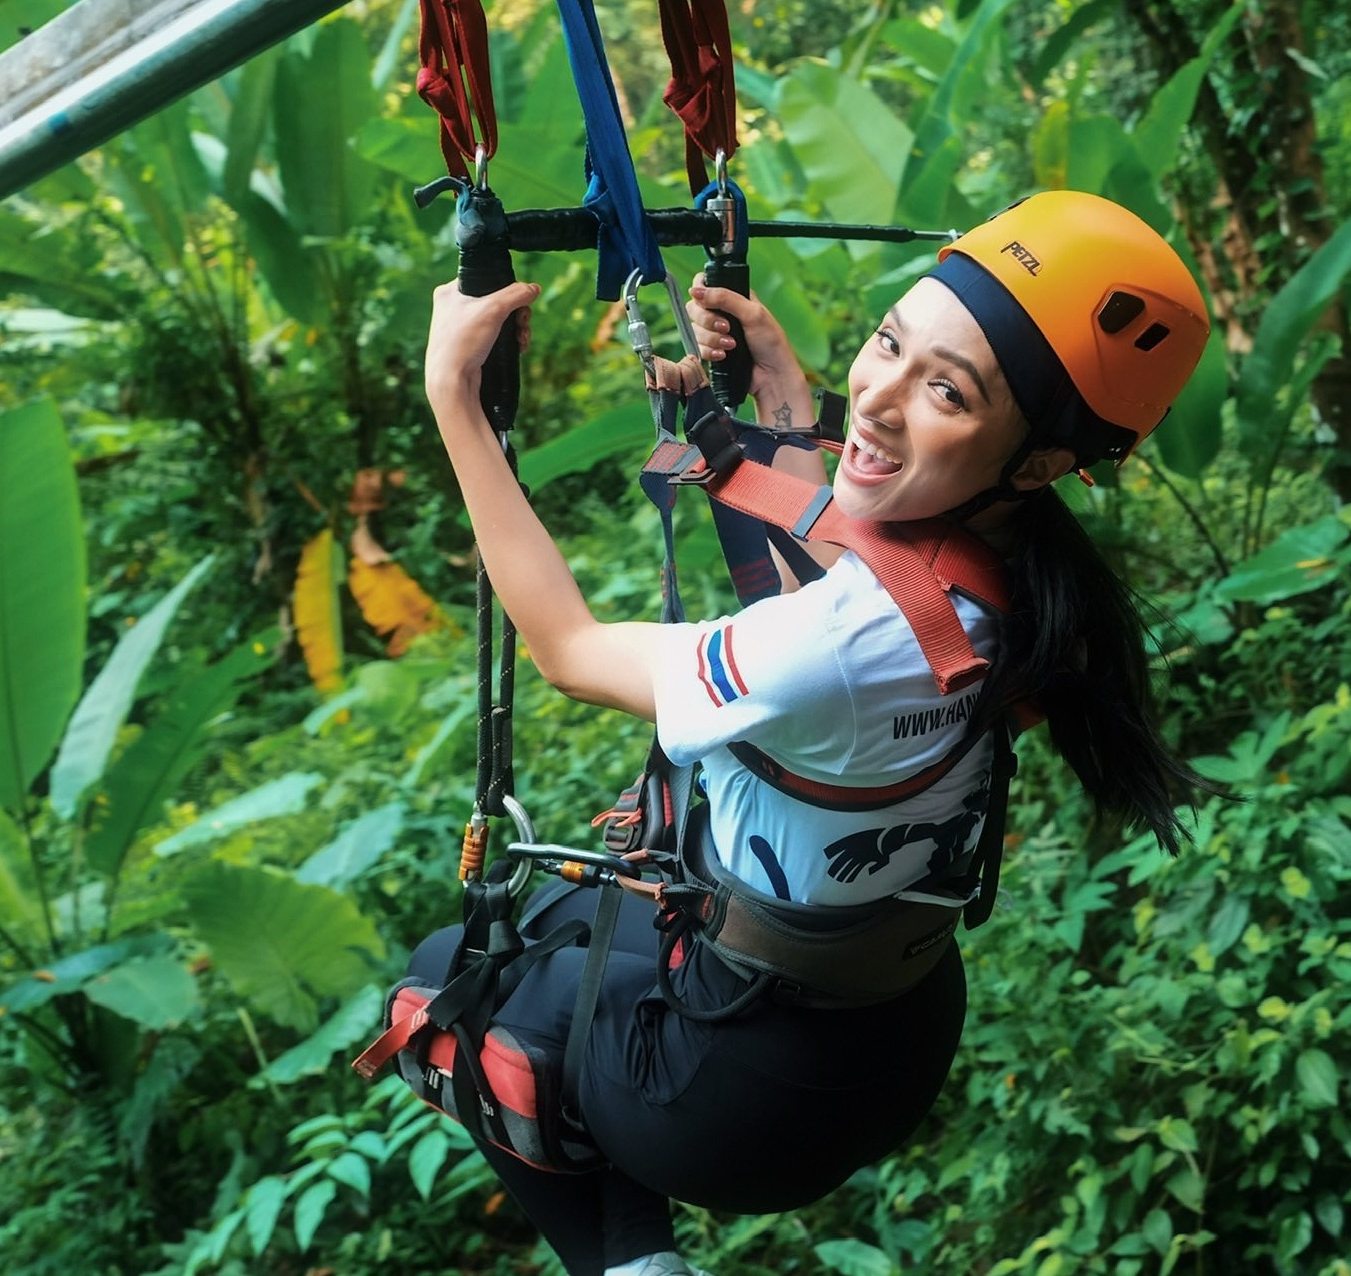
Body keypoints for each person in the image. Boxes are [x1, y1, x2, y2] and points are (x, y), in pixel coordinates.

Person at [406, 190, 1215, 1276]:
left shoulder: (828, 647)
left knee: (454, 982)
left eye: (946, 389)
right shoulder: (1028, 575)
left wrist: (457, 398)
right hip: (892, 1032)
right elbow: (864, 562)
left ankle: (633, 1265)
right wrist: (785, 401)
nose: (876, 394)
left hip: (735, 1103)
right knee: (579, 918)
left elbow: (567, 646)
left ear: (1035, 462)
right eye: (889, 342)